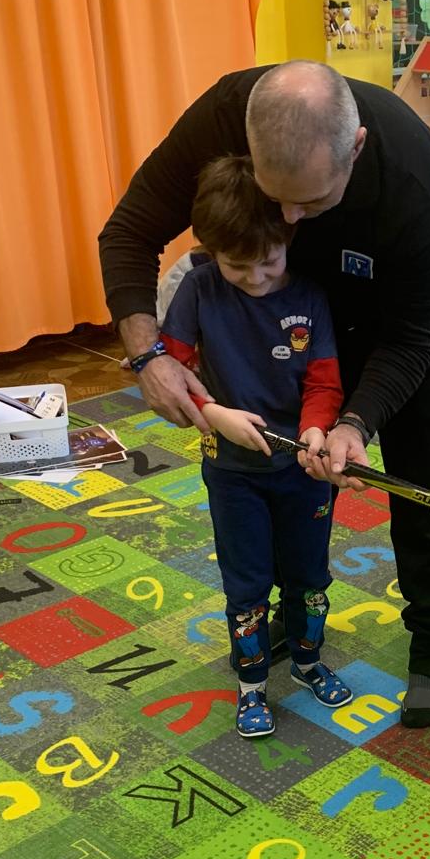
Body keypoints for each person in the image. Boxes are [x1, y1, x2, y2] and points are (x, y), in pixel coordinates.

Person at [98, 60, 430, 728]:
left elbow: (410, 341)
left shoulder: (414, 182)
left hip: (405, 323)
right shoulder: (225, 114)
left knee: (421, 474)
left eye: (311, 202)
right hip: (296, 314)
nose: (292, 219)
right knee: (284, 476)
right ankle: (287, 615)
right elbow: (128, 232)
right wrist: (149, 355)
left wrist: (356, 422)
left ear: (354, 150)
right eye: (277, 199)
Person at [156, 158, 351, 738]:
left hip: (303, 470)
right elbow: (172, 373)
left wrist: (315, 430)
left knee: (309, 578)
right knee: (246, 586)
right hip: (232, 472)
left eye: (269, 261)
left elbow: (324, 382)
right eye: (237, 266)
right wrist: (213, 415)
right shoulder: (198, 289)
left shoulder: (310, 294)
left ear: (289, 237)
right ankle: (252, 686)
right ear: (210, 250)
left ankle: (309, 663)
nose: (256, 278)